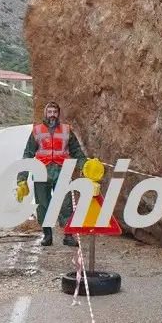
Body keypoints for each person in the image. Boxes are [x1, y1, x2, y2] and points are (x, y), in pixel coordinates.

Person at [16, 101, 93, 247]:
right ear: (45, 113)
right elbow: (28, 154)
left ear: (59, 114)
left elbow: (77, 152)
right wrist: (22, 178)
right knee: (43, 204)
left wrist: (85, 165)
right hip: (41, 170)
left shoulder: (67, 130)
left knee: (66, 204)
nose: (52, 115)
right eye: (50, 112)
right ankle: (47, 235)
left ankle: (68, 236)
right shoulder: (37, 131)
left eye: (55, 112)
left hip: (62, 170)